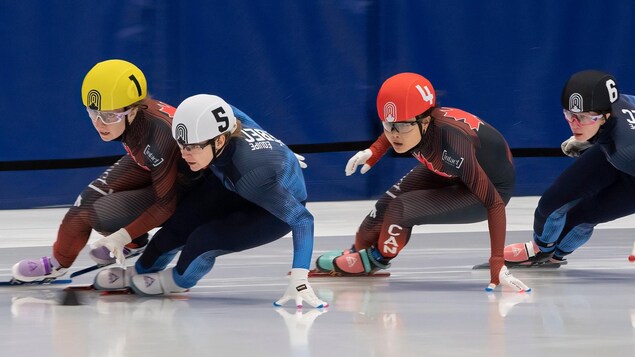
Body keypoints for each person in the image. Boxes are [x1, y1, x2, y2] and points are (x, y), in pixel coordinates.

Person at [92, 94, 328, 308]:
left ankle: (175, 281)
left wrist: (299, 278)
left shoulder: (253, 175)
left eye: (193, 147)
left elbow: (302, 219)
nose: (185, 154)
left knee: (203, 241)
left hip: (268, 210)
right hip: (231, 180)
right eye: (182, 145)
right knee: (179, 224)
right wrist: (280, 149)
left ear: (218, 141)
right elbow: (235, 112)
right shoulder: (221, 120)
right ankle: (141, 269)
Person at [315, 72, 530, 292]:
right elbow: (395, 127)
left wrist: (497, 263)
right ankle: (359, 252)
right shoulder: (416, 125)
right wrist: (374, 151)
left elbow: (494, 203)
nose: (394, 135)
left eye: (402, 126)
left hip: (488, 189)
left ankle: (375, 259)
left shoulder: (452, 145)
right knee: (378, 215)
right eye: (388, 126)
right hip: (449, 170)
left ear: (425, 121)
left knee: (401, 208)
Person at [12, 59, 198, 282]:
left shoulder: (158, 138)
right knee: (87, 200)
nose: (100, 123)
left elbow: (166, 203)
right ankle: (56, 264)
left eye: (109, 116)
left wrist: (122, 235)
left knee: (101, 214)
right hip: (151, 164)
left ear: (133, 110)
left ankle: (132, 240)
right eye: (93, 113)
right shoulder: (134, 118)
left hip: (185, 189)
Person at [503, 69, 635, 267]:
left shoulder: (625, 149)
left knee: (583, 217)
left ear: (605, 116)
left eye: (582, 118)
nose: (575, 124)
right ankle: (542, 251)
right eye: (570, 115)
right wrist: (592, 137)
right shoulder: (619, 103)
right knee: (550, 204)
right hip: (610, 151)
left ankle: (554, 254)